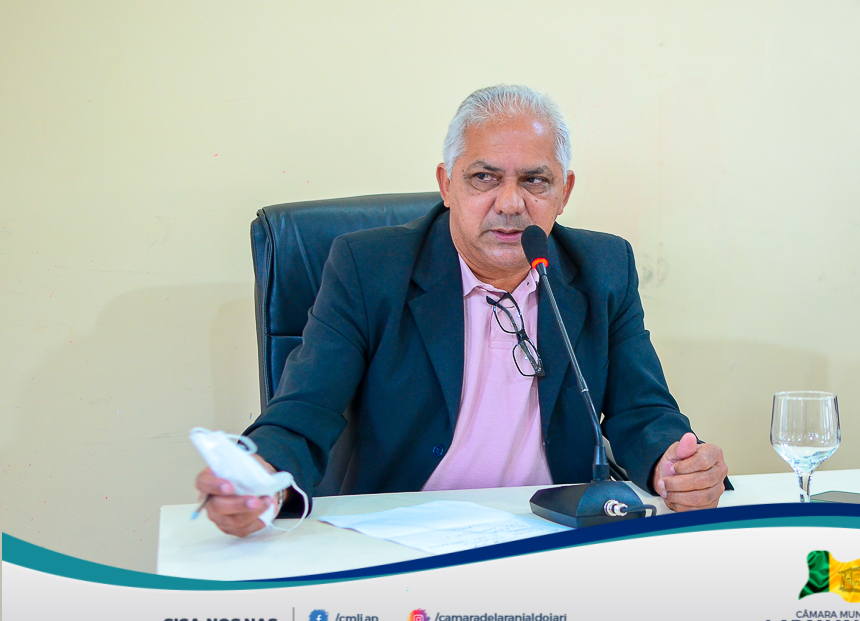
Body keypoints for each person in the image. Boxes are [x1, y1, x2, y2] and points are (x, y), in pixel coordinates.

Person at [197, 85, 729, 537]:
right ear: (446, 184)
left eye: (535, 180)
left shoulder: (602, 267)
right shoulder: (369, 268)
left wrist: (674, 463)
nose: (511, 203)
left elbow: (643, 411)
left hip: (553, 531)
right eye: (484, 177)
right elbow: (304, 412)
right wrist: (261, 476)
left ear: (564, 192)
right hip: (404, 535)